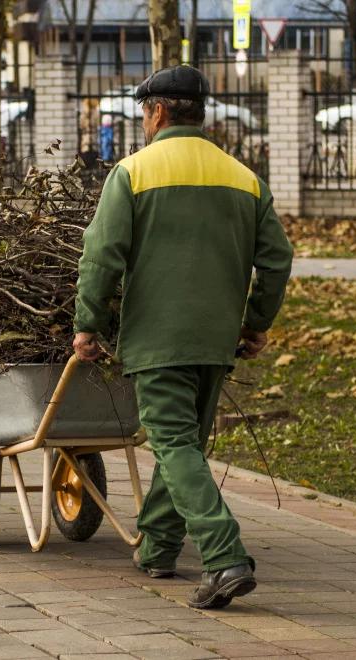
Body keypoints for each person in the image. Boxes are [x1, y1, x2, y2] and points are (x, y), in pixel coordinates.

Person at [72, 65, 293, 610]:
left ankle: (225, 557)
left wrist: (88, 322)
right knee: (184, 447)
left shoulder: (133, 173)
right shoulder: (244, 177)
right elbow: (277, 258)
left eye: (145, 113)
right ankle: (160, 548)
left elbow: (102, 255)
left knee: (172, 445)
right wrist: (256, 323)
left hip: (158, 339)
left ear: (158, 111)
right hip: (217, 341)